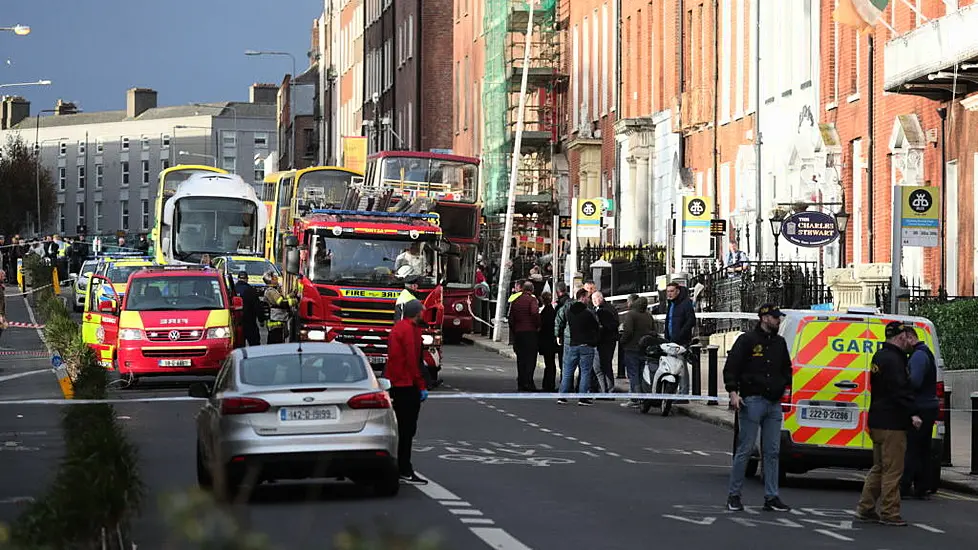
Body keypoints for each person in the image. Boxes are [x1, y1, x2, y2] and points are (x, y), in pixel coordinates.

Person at [724, 303, 792, 513]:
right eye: (774, 317)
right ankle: (734, 495)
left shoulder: (780, 343)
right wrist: (733, 392)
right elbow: (732, 367)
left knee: (772, 452)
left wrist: (783, 389)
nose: (778, 321)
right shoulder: (747, 340)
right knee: (745, 450)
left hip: (773, 403)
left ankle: (772, 496)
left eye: (778, 317)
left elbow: (786, 368)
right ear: (764, 318)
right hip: (752, 400)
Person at [857, 322, 922, 526]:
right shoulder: (895, 360)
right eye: (905, 335)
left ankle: (866, 508)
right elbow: (898, 391)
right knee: (893, 470)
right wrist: (913, 413)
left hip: (877, 420)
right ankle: (890, 512)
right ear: (900, 336)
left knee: (879, 467)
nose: (908, 339)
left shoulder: (879, 356)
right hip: (892, 423)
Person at [384, 299, 429, 485]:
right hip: (406, 384)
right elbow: (412, 360)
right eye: (423, 312)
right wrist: (421, 385)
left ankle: (397, 466)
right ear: (417, 313)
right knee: (407, 428)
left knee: (399, 428)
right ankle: (404, 468)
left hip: (395, 383)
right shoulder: (409, 331)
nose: (424, 315)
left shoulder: (399, 328)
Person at [901, 326, 939, 499]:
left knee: (913, 449)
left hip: (921, 408)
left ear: (910, 338)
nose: (902, 344)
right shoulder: (925, 353)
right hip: (928, 406)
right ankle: (923, 486)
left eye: (903, 340)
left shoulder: (918, 356)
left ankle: (905, 485)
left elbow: (915, 382)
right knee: (922, 449)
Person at [557, 288, 600, 406]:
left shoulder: (569, 312)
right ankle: (583, 397)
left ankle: (562, 396)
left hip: (573, 344)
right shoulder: (588, 313)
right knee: (585, 372)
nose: (589, 299)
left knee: (567, 371)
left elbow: (561, 322)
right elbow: (596, 327)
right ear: (582, 297)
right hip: (586, 345)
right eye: (587, 297)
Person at [619, 295, 653, 407]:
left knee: (633, 374)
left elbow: (628, 331)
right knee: (641, 373)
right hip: (644, 348)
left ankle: (635, 398)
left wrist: (622, 341)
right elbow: (653, 330)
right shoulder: (648, 316)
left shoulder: (631, 315)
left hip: (631, 347)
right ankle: (642, 397)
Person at [508, 281, 541, 392]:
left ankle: (521, 382)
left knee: (521, 359)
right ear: (531, 290)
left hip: (519, 333)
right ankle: (528, 382)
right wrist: (537, 326)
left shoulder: (516, 301)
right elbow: (535, 314)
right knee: (530, 359)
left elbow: (511, 319)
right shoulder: (532, 300)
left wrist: (514, 331)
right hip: (530, 333)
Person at [591, 291, 619, 396]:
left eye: (596, 299)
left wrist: (602, 328)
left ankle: (609, 391)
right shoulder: (595, 309)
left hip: (607, 342)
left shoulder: (609, 309)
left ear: (601, 298)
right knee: (598, 367)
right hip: (599, 342)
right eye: (592, 300)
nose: (594, 301)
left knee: (605, 366)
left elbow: (614, 324)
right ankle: (603, 390)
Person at [263, 271, 292, 344]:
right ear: (271, 280)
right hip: (275, 323)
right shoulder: (271, 291)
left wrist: (290, 296)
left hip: (278, 322)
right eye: (275, 278)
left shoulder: (274, 290)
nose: (277, 279)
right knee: (275, 343)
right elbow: (281, 302)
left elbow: (282, 298)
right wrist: (294, 301)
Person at [234, 271, 262, 346]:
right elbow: (257, 306)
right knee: (254, 345)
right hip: (250, 322)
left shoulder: (232, 289)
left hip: (236, 323)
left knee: (238, 346)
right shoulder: (251, 290)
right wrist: (261, 319)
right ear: (247, 279)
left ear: (238, 279)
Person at [538, 291, 559, 392]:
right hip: (550, 341)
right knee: (550, 363)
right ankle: (549, 383)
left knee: (549, 364)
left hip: (547, 341)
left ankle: (548, 384)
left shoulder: (546, 312)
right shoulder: (551, 311)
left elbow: (542, 327)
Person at [664, 282, 695, 347]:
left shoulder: (686, 303)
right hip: (670, 340)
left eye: (672, 291)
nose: (669, 294)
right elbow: (668, 320)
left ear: (678, 291)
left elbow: (691, 320)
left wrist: (680, 335)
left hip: (682, 342)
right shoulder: (670, 304)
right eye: (668, 291)